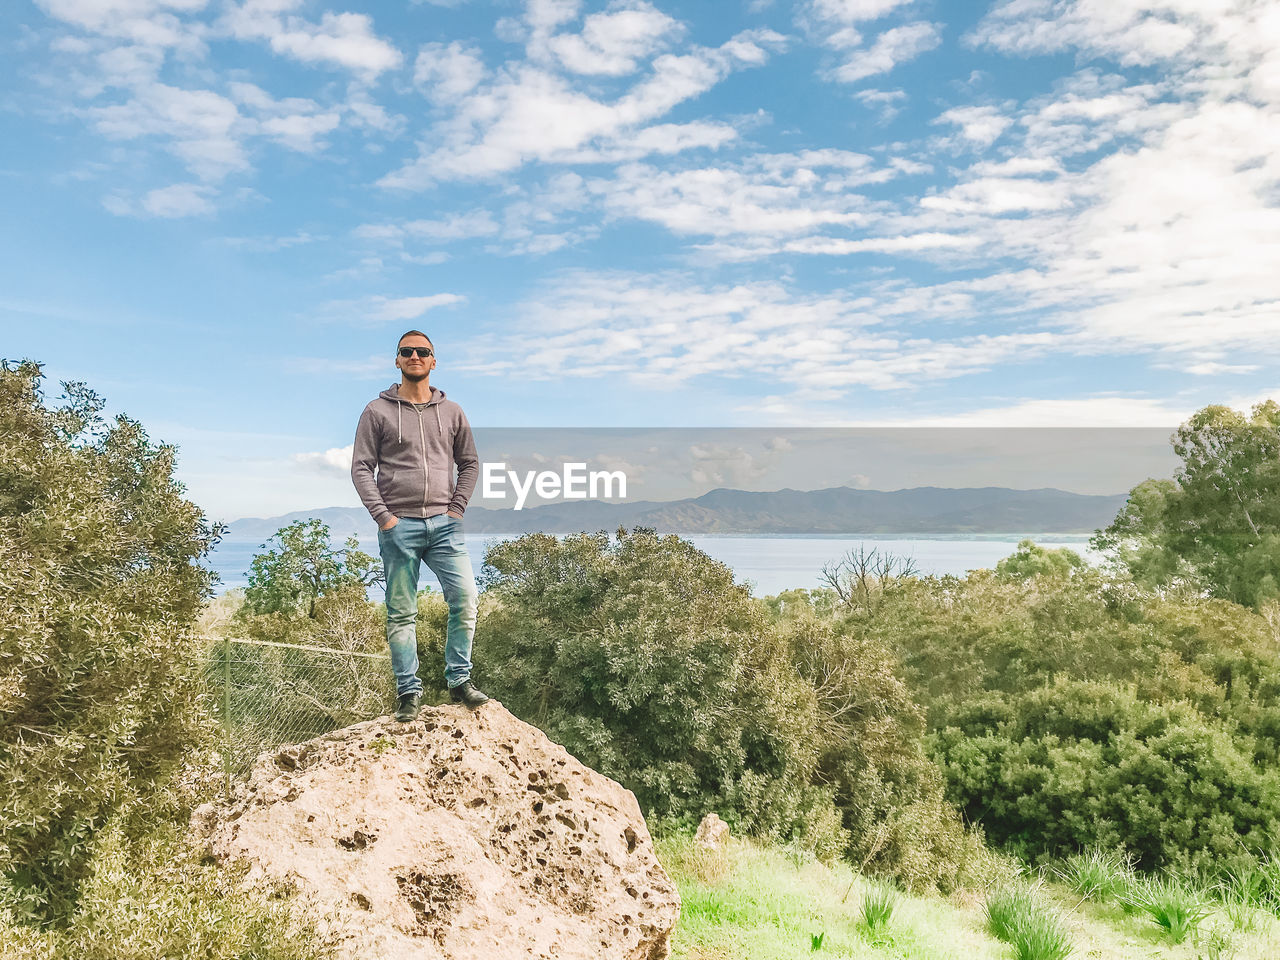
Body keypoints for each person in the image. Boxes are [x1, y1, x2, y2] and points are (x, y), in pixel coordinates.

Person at [350, 330, 489, 722]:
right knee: (401, 614)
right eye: (407, 351)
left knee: (465, 600)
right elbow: (361, 468)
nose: (415, 356)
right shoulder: (376, 411)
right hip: (399, 527)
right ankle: (408, 692)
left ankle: (459, 680)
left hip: (445, 525)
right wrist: (385, 518)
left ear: (433, 361)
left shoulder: (453, 412)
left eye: (422, 351)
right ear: (397, 360)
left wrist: (456, 508)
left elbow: (470, 463)